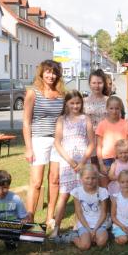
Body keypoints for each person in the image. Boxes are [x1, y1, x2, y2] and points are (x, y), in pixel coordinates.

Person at [23, 59, 65, 226]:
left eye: (54, 72)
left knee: (54, 179)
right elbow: (26, 121)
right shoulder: (33, 92)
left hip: (57, 141)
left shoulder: (61, 94)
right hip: (38, 140)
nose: (51, 75)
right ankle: (30, 216)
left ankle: (50, 217)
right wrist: (28, 148)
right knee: (36, 182)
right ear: (41, 73)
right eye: (48, 71)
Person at [51, 90, 95, 237]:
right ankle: (56, 227)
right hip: (67, 162)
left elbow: (91, 142)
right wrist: (70, 161)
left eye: (78, 103)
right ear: (66, 103)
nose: (75, 106)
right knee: (64, 195)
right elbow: (57, 142)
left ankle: (79, 225)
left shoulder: (86, 118)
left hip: (83, 162)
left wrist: (82, 162)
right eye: (72, 103)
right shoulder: (61, 120)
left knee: (82, 194)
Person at [95, 96, 128, 188]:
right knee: (105, 186)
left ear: (120, 109)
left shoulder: (125, 123)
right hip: (106, 159)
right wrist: (101, 163)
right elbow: (99, 146)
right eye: (111, 108)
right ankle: (107, 202)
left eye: (117, 108)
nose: (114, 111)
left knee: (122, 184)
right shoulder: (102, 124)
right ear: (107, 108)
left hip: (122, 158)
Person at [70, 167, 109, 250]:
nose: (90, 181)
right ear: (81, 179)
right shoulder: (77, 192)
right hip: (84, 223)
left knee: (101, 242)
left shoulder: (102, 191)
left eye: (93, 178)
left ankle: (92, 237)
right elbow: (79, 212)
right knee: (85, 246)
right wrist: (88, 229)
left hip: (99, 223)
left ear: (97, 178)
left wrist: (95, 229)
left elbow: (104, 213)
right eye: (87, 178)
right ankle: (73, 237)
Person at [84, 69, 111, 171]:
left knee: (105, 171)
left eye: (99, 83)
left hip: (106, 140)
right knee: (92, 171)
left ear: (104, 83)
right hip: (89, 140)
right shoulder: (84, 101)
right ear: (90, 84)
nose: (97, 85)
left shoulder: (109, 101)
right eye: (94, 83)